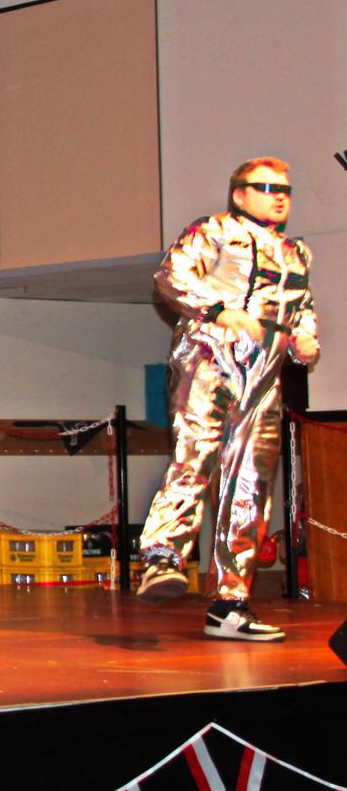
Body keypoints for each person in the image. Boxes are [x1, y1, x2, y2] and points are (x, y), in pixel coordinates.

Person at [136, 158, 318, 642]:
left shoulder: (296, 252)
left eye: (284, 190)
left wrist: (305, 338)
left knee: (251, 485)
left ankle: (230, 603)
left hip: (264, 372)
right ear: (239, 194)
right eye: (266, 188)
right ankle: (161, 556)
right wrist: (219, 311)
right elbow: (171, 275)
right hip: (210, 356)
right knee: (196, 453)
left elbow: (302, 308)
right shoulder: (214, 230)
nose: (278, 197)